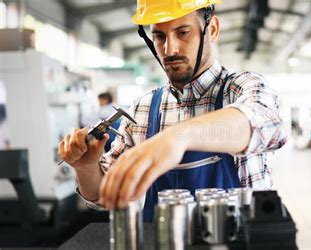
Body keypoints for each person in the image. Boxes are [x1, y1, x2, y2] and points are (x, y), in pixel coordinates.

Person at [58, 0, 286, 222]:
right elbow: (104, 197)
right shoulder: (143, 108)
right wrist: (86, 167)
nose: (170, 49)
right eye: (159, 36)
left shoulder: (242, 88)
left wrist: (180, 136)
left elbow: (269, 126)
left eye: (183, 32)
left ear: (212, 29)